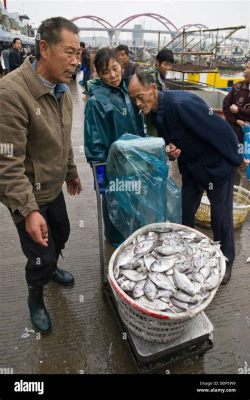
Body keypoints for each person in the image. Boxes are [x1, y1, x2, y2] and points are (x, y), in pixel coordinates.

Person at [0, 17, 83, 333]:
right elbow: (6, 162)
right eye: (69, 52)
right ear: (44, 48)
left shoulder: (62, 88)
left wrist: (71, 171)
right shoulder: (11, 94)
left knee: (61, 234)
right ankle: (35, 297)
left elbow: (63, 138)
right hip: (26, 196)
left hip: (52, 188)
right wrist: (29, 210)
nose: (76, 61)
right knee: (39, 257)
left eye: (79, 53)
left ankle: (51, 268)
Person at [128, 70, 249, 284]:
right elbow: (172, 141)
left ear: (153, 89)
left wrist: (236, 158)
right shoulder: (154, 113)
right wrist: (172, 150)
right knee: (185, 211)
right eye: (133, 99)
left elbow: (219, 131)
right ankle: (188, 251)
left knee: (220, 218)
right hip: (192, 167)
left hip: (216, 167)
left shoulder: (181, 104)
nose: (137, 103)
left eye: (140, 96)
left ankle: (226, 259)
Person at [84, 47, 145, 246]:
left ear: (121, 65)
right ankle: (116, 243)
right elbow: (94, 144)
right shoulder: (96, 102)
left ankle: (132, 237)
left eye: (115, 68)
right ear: (98, 74)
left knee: (135, 205)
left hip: (135, 164)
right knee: (115, 209)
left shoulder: (131, 91)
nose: (112, 75)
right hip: (114, 168)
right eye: (105, 72)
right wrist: (100, 177)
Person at [223, 60, 250, 144]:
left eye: (248, 68)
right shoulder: (238, 87)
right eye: (245, 67)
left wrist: (238, 109)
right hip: (235, 133)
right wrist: (236, 121)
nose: (245, 71)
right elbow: (226, 105)